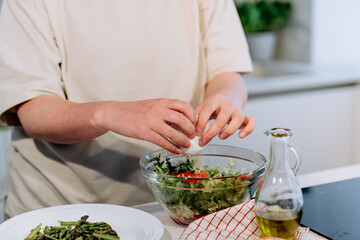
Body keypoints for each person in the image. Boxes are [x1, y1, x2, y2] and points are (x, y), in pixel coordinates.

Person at [0, 0, 255, 218]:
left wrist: (227, 97)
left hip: (174, 203)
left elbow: (226, 71)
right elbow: (33, 111)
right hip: (61, 207)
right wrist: (109, 114)